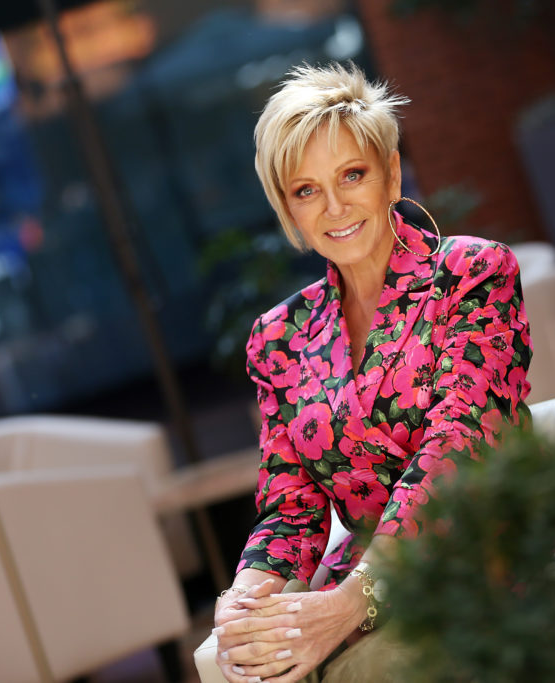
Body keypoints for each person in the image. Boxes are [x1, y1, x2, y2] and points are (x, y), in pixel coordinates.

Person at [201, 61, 533, 683]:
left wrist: (356, 600)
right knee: (251, 658)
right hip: (354, 590)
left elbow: (460, 449)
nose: (334, 207)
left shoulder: (472, 274)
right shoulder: (278, 338)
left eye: (352, 175)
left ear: (392, 174)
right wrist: (247, 597)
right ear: (288, 209)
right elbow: (291, 501)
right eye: (306, 190)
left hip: (489, 558)